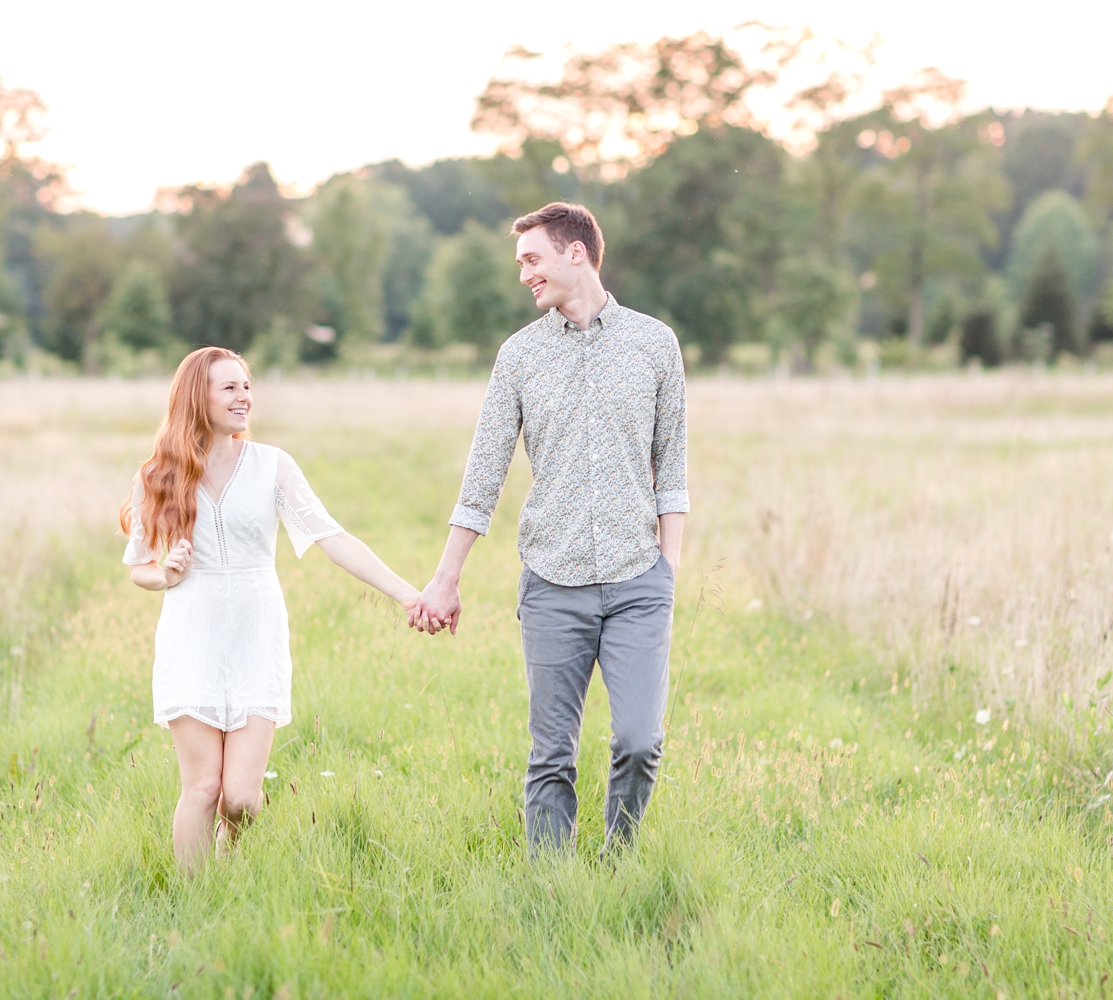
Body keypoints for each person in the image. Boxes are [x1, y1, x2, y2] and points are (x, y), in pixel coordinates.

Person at [410, 202, 688, 856]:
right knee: (551, 754)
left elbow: (672, 464)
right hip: (552, 586)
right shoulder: (520, 357)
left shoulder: (654, 343)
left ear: (576, 253)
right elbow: (484, 474)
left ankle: (618, 866)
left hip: (637, 580)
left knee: (640, 743)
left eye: (531, 260)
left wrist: (668, 568)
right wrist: (446, 578)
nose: (523, 275)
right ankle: (553, 890)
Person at [121, 346, 421, 874]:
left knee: (240, 799)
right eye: (229, 388)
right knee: (202, 786)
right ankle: (197, 903)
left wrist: (406, 594)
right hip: (191, 633)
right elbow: (138, 566)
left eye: (247, 386)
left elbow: (332, 537)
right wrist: (166, 572)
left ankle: (227, 858)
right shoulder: (158, 475)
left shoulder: (272, 466)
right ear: (198, 397)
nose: (245, 397)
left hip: (257, 633)